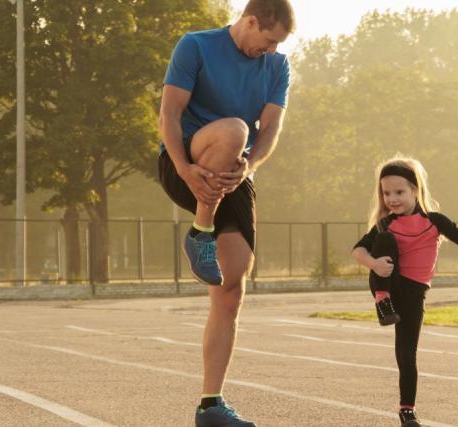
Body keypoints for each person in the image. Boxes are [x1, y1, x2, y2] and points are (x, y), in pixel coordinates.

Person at [157, 1, 294, 426]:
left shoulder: (278, 66)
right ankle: (200, 230)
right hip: (186, 159)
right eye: (268, 39)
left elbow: (270, 129)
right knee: (235, 128)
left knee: (231, 285)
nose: (270, 50)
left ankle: (210, 404)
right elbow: (170, 114)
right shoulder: (196, 46)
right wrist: (184, 168)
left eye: (278, 45)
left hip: (234, 172)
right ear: (251, 21)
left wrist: (248, 167)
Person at [351, 155, 458, 427]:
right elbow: (358, 250)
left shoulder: (434, 221)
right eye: (387, 193)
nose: (392, 199)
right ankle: (383, 303)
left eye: (399, 192)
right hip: (389, 283)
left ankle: (407, 410)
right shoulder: (385, 225)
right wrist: (374, 263)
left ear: (415, 190)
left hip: (415, 293)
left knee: (406, 355)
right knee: (383, 240)